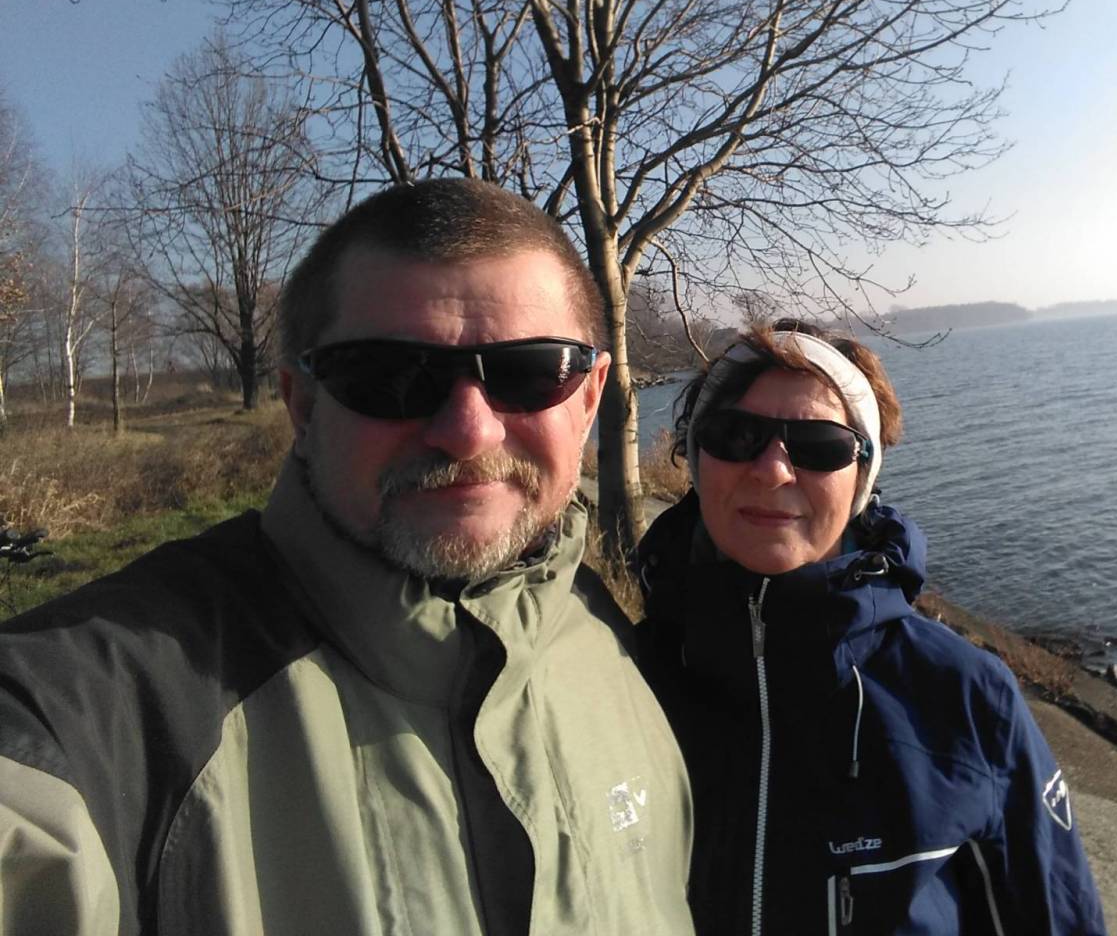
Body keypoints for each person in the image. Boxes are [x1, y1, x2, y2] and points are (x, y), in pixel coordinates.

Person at [0, 180, 695, 935]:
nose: (469, 431)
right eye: (390, 377)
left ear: (589, 399)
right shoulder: (114, 714)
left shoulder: (606, 634)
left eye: (530, 372)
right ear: (303, 405)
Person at [634, 322, 1108, 934]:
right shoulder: (621, 679)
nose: (773, 471)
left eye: (819, 446)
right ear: (699, 458)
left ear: (862, 476)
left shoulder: (965, 699)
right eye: (736, 436)